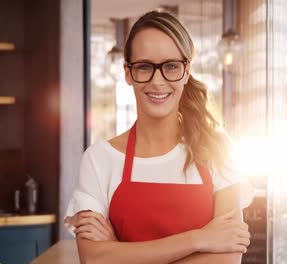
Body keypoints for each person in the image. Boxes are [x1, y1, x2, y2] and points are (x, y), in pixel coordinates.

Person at [64, 10, 254, 263]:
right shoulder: (99, 159)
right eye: (144, 67)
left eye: (171, 66)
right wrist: (199, 239)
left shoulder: (217, 149)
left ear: (186, 72)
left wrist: (119, 252)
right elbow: (93, 259)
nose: (157, 81)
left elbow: (225, 259)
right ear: (128, 73)